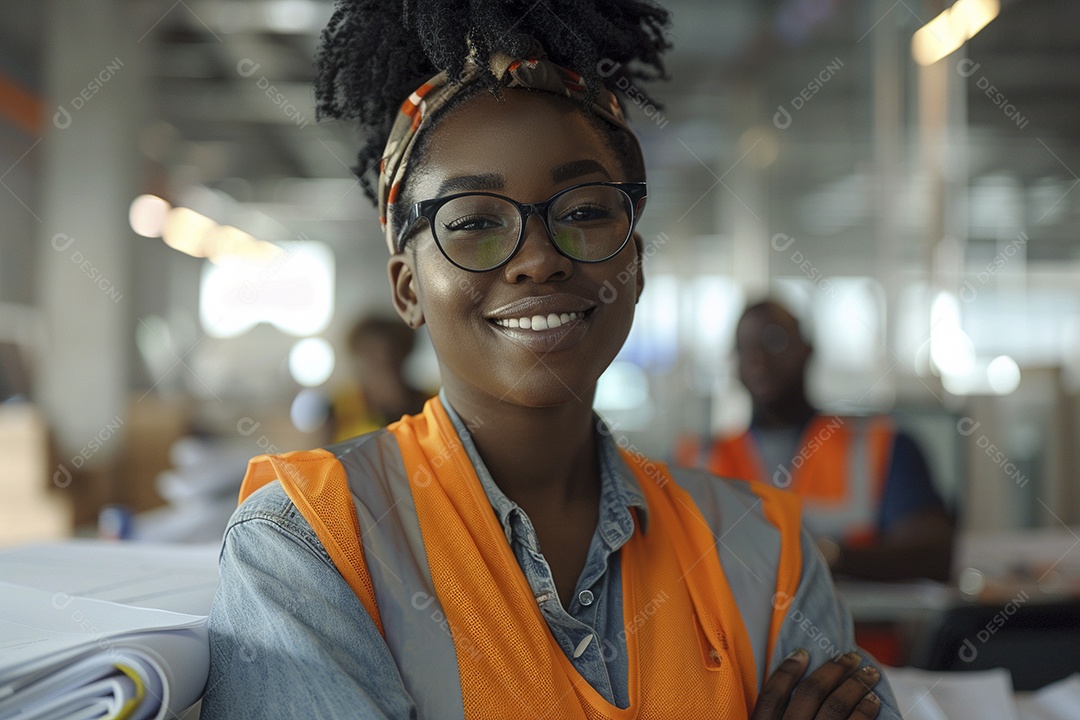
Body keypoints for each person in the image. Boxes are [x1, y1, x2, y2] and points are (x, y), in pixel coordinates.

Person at [201, 2, 901, 718]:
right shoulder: (308, 542)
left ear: (635, 263)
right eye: (474, 221)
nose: (538, 258)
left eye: (584, 211)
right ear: (408, 289)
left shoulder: (762, 547)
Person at [676, 299, 953, 582]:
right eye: (745, 347)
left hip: (853, 612)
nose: (758, 359)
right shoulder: (695, 461)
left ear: (808, 350)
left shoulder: (882, 446)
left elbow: (933, 555)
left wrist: (827, 556)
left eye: (775, 341)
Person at [328, 315, 429, 442]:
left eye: (391, 354)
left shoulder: (431, 403)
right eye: (371, 354)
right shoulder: (340, 412)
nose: (382, 357)